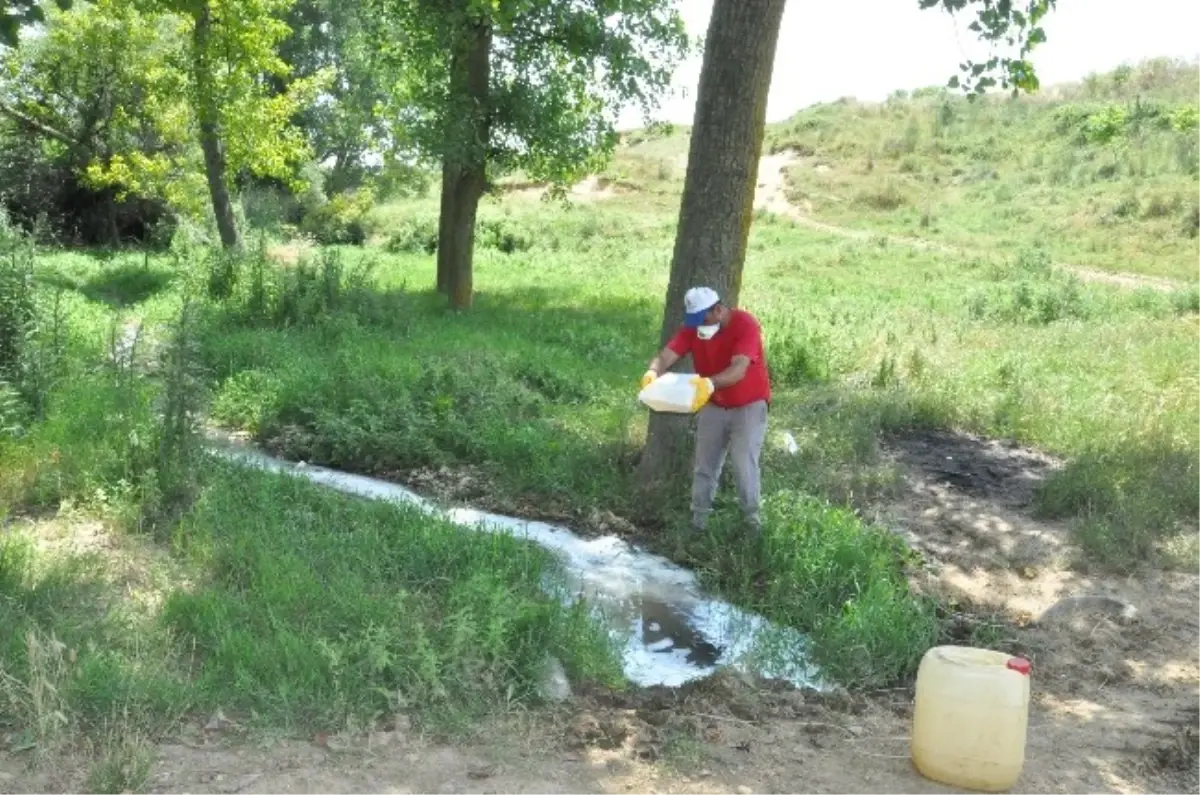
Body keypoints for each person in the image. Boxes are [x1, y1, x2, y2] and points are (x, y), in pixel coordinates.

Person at [641, 286, 771, 535]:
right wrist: (652, 372)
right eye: (695, 321)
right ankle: (698, 523)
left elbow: (739, 368)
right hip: (713, 402)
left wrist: (710, 383)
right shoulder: (693, 327)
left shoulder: (745, 325)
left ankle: (752, 524)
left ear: (719, 310)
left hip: (748, 405)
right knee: (704, 464)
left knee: (744, 463)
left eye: (704, 319)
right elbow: (668, 355)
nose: (699, 326)